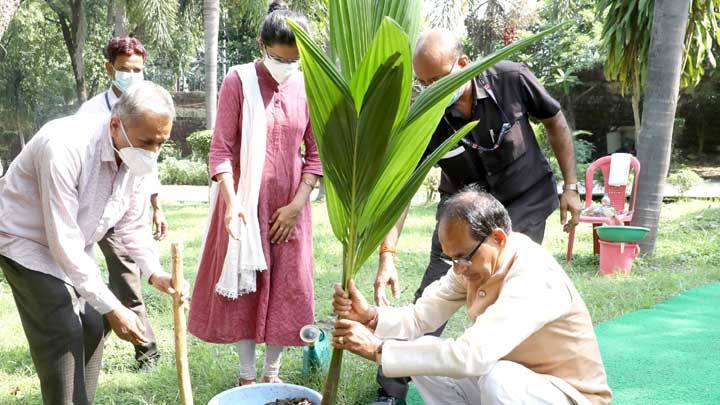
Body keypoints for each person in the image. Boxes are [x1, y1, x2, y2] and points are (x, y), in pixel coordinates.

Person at [371, 29, 584, 403]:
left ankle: (507, 376)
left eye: (438, 80)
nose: (431, 90)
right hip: (462, 213)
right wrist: (388, 253)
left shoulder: (511, 79)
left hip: (524, 199)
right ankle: (390, 390)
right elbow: (405, 184)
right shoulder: (428, 115)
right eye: (424, 84)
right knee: (435, 290)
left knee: (505, 289)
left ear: (464, 65)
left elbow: (555, 121)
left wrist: (571, 186)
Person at [333, 187, 612, 405]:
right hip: (516, 382)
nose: (458, 269)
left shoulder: (534, 277)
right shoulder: (472, 264)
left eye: (463, 257)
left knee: (499, 380)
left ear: (498, 238)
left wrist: (376, 349)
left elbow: (472, 355)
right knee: (421, 351)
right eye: (452, 259)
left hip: (567, 395)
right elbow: (420, 317)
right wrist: (371, 317)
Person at [0, 81, 186, 404]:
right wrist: (114, 307)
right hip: (24, 240)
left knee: (92, 326)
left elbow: (131, 224)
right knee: (63, 329)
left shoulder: (134, 156)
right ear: (116, 124)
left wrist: (155, 273)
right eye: (147, 142)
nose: (152, 153)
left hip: (70, 242)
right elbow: (63, 243)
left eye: (161, 143)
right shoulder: (65, 146)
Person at [187, 0, 323, 386]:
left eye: (295, 60)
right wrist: (232, 206)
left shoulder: (309, 85)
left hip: (290, 206)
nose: (287, 66)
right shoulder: (238, 80)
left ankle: (272, 373)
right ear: (263, 46)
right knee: (244, 285)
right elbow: (221, 150)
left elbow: (316, 155)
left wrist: (297, 205)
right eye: (280, 58)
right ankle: (247, 376)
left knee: (286, 285)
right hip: (244, 205)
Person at [75, 35, 168, 369]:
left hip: (119, 211)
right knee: (76, 289)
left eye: (138, 69)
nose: (131, 74)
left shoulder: (150, 108)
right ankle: (95, 330)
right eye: (125, 69)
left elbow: (144, 169)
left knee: (127, 279)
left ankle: (147, 350)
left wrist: (155, 205)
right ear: (109, 68)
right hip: (82, 211)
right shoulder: (90, 114)